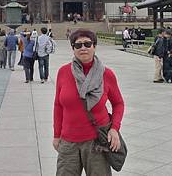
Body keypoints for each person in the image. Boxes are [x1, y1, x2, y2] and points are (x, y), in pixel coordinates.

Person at [53, 29, 124, 176]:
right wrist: (56, 134)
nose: (83, 48)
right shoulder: (64, 72)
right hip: (68, 141)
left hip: (96, 141)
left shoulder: (106, 74)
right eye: (78, 45)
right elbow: (58, 106)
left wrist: (114, 128)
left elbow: (118, 103)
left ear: (94, 46)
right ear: (73, 48)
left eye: (87, 44)